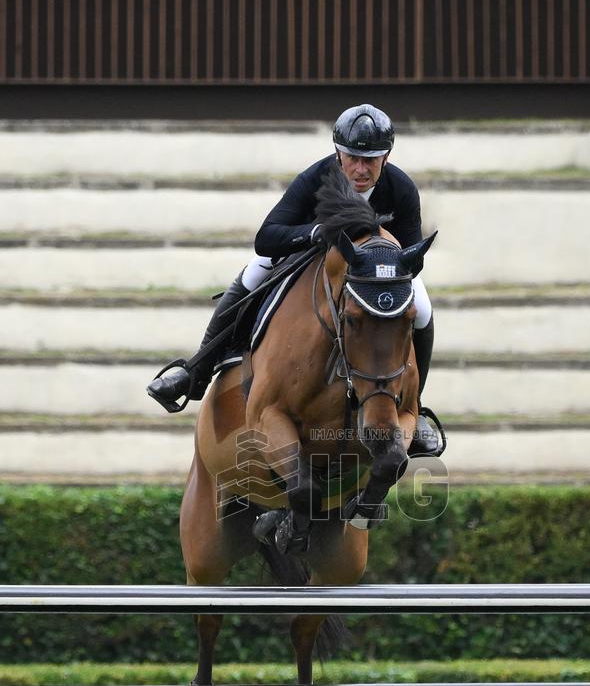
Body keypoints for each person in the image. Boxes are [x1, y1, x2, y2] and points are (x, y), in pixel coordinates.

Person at [147, 103, 442, 455]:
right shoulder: (315, 178)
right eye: (353, 158)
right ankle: (196, 370)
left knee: (421, 309)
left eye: (371, 160)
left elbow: (413, 255)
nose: (361, 169)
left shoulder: (402, 188)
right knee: (253, 273)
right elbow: (267, 236)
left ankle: (415, 406)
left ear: (386, 157)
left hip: (375, 278)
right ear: (338, 153)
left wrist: (378, 269)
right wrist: (317, 233)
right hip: (308, 255)